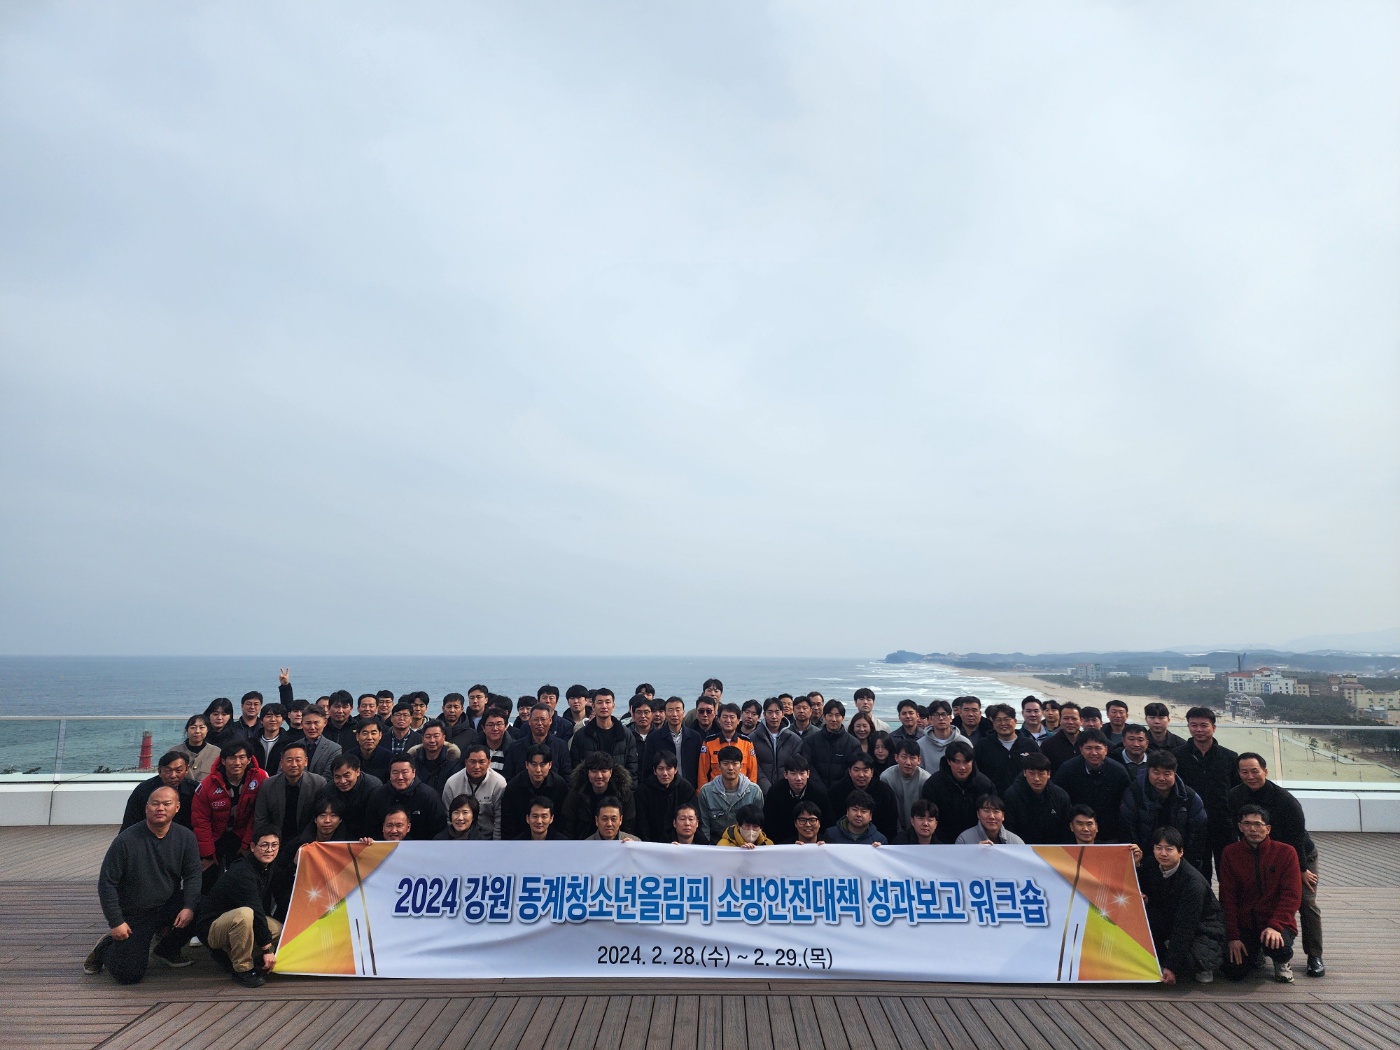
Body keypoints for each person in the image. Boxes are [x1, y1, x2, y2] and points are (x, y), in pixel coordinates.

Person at [86, 786, 202, 984]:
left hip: (168, 904)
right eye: (155, 804)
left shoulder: (186, 837)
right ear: (147, 807)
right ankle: (106, 948)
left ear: (177, 807)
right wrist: (116, 922)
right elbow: (107, 883)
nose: (160, 808)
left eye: (167, 804)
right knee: (129, 975)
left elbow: (192, 875)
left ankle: (167, 950)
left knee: (204, 907)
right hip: (136, 912)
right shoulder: (125, 841)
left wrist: (189, 906)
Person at [1228, 752, 1324, 977]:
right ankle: (1258, 947)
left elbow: (1296, 837)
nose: (1250, 776)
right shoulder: (1235, 795)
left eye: (1255, 771)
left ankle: (1314, 955)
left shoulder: (1285, 800)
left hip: (1298, 854)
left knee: (1306, 901)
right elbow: (1237, 827)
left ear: (1265, 771)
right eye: (1244, 772)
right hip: (1259, 853)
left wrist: (1301, 869)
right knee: (1255, 895)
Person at [191, 825, 283, 988]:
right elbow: (255, 910)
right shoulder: (243, 871)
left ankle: (242, 957)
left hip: (236, 922)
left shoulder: (268, 866)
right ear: (253, 847)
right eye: (264, 845)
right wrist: (267, 950)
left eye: (274, 845)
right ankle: (242, 969)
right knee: (245, 914)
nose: (269, 850)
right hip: (212, 928)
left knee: (278, 929)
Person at [1220, 805, 1303, 983]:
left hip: (1276, 922)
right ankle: (1255, 953)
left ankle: (1281, 962)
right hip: (1245, 924)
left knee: (1279, 948)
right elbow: (1228, 897)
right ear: (1240, 827)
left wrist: (1275, 925)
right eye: (1247, 824)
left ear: (1268, 828)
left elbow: (1292, 896)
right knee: (1233, 971)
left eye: (1258, 824)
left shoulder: (1286, 852)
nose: (1253, 829)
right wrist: (1233, 936)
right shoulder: (1230, 853)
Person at [1139, 826, 1226, 985]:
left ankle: (1202, 966)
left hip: (1204, 928)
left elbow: (1185, 926)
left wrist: (1171, 967)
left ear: (1181, 852)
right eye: (1158, 848)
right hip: (1172, 918)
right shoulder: (1152, 866)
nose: (1163, 853)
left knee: (1189, 962)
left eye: (1169, 849)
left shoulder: (1193, 883)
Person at [1173, 706, 1240, 885]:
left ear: (1213, 727)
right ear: (1188, 727)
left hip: (1223, 824)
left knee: (1228, 872)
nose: (1199, 730)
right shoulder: (1178, 756)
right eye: (1193, 725)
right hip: (1192, 825)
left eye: (1204, 725)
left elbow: (1237, 792)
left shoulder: (1230, 757)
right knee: (1198, 874)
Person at [191, 741, 269, 889]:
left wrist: (247, 845)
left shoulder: (261, 778)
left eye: (242, 757)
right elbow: (200, 821)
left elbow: (258, 815)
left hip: (244, 834)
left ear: (249, 759)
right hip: (215, 836)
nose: (237, 762)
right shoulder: (208, 784)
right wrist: (208, 855)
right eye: (232, 758)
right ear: (223, 760)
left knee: (245, 879)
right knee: (207, 878)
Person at [1120, 750, 1208, 872]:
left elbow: (1197, 835)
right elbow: (1128, 830)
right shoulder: (1134, 794)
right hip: (1143, 859)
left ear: (1174, 773)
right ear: (1148, 771)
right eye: (1156, 773)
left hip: (1180, 860)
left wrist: (1186, 865)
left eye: (1167, 774)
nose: (1161, 778)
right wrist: (1139, 862)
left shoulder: (1189, 797)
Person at [1052, 729, 1130, 843]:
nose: (1094, 753)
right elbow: (1057, 799)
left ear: (1106, 750)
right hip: (1075, 834)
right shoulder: (1067, 769)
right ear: (1081, 750)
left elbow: (1126, 804)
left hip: (1110, 834)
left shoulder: (1118, 771)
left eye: (1098, 748)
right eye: (1088, 748)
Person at [920, 741, 995, 844]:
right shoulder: (933, 784)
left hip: (976, 841)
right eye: (957, 762)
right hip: (942, 842)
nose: (962, 767)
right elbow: (928, 815)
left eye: (966, 762)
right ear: (949, 761)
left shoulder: (984, 785)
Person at [499, 743, 570, 840]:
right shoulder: (514, 786)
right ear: (526, 764)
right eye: (534, 764)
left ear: (550, 765)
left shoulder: (559, 785)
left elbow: (563, 820)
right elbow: (508, 822)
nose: (538, 770)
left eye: (543, 764)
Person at [367, 757, 447, 841]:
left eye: (404, 772)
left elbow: (439, 830)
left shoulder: (429, 796)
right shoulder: (378, 795)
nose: (400, 777)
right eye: (395, 772)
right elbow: (371, 829)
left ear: (413, 773)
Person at [561, 751, 637, 840]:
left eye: (604, 771)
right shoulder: (577, 793)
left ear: (611, 772)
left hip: (616, 842)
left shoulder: (623, 793)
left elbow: (629, 824)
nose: (599, 776)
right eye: (594, 771)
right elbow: (567, 825)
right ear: (588, 772)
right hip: (583, 843)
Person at [696, 745, 763, 844]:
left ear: (741, 766)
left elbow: (758, 825)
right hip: (715, 845)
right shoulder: (706, 792)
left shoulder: (754, 792)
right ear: (719, 766)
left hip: (745, 846)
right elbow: (704, 826)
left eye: (735, 764)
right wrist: (707, 848)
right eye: (726, 764)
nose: (730, 768)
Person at [439, 744, 506, 840]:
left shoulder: (499, 783)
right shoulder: (452, 783)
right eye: (472, 762)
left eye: (482, 762)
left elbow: (499, 819)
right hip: (459, 838)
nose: (477, 766)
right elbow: (447, 816)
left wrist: (495, 845)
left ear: (489, 762)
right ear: (466, 762)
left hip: (488, 838)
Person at [569, 687, 639, 778]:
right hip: (590, 784)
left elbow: (632, 767)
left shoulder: (626, 734)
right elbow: (575, 767)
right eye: (599, 702)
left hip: (619, 785)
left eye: (607, 702)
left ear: (613, 706)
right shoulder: (581, 735)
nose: (604, 706)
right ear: (593, 706)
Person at [1002, 753, 1071, 844]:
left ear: (1048, 774)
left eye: (1041, 774)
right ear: (1024, 773)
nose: (1036, 779)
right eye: (1031, 773)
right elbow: (1009, 829)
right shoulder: (1011, 796)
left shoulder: (1060, 796)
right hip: (1021, 848)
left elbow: (1066, 830)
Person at [829, 753, 900, 841]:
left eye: (865, 770)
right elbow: (831, 820)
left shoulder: (885, 792)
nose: (861, 775)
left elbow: (891, 824)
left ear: (872, 772)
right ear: (850, 771)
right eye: (856, 770)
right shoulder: (837, 791)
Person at [763, 755, 831, 845]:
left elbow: (827, 822)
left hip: (814, 843)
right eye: (793, 773)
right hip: (783, 843)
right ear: (785, 774)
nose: (798, 778)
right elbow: (769, 824)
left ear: (808, 774)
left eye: (802, 773)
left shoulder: (819, 793)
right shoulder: (775, 792)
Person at [973, 704, 1041, 793]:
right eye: (998, 720)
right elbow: (975, 773)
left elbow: (1041, 770)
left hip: (1024, 796)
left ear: (1015, 721)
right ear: (993, 723)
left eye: (1007, 719)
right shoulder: (982, 745)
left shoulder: (1030, 745)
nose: (1003, 723)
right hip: (992, 798)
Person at [634, 751, 698, 844]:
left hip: (678, 843)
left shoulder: (685, 788)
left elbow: (694, 818)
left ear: (675, 770)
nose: (665, 773)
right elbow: (642, 824)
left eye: (668, 768)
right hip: (651, 843)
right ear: (654, 770)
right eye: (660, 769)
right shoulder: (643, 791)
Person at [121, 752, 196, 831]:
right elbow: (129, 824)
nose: (173, 775)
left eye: (178, 771)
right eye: (168, 771)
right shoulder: (143, 791)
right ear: (160, 771)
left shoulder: (193, 790)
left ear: (186, 769)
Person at [644, 696, 703, 788]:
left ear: (683, 712)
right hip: (662, 788)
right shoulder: (654, 738)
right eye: (670, 710)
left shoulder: (695, 737)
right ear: (665, 713)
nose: (674, 714)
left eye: (678, 710)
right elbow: (648, 767)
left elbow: (700, 766)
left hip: (689, 787)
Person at [503, 703, 572, 782]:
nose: (539, 723)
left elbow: (567, 775)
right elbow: (508, 776)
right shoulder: (516, 747)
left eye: (543, 719)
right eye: (536, 719)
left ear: (550, 721)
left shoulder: (561, 746)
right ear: (529, 721)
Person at [802, 700, 861, 789]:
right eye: (830, 715)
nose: (833, 719)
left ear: (843, 718)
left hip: (843, 791)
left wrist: (836, 790)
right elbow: (807, 766)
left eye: (837, 715)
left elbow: (853, 769)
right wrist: (819, 788)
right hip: (815, 791)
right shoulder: (811, 741)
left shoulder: (853, 744)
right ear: (824, 717)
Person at [697, 703, 759, 786]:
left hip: (742, 789)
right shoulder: (709, 742)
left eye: (732, 717)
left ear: (738, 720)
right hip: (715, 789)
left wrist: (752, 790)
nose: (728, 720)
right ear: (719, 720)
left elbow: (752, 772)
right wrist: (702, 791)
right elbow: (702, 772)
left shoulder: (747, 743)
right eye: (725, 717)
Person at [751, 697, 804, 793]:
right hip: (760, 790)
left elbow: (796, 766)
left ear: (783, 714)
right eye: (770, 712)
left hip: (787, 790)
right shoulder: (753, 738)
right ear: (764, 714)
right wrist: (768, 789)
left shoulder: (794, 739)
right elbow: (754, 766)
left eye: (777, 712)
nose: (774, 716)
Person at [321, 754, 381, 839]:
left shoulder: (373, 787)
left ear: (358, 772)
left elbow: (375, 820)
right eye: (337, 777)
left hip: (368, 835)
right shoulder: (329, 789)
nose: (342, 781)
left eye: (347, 775)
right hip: (340, 834)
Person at [271, 706, 341, 777]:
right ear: (302, 724)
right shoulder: (291, 747)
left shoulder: (334, 749)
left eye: (316, 723)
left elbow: (329, 776)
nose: (312, 727)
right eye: (308, 723)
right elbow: (281, 773)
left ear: (325, 723)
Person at [880, 739, 931, 833]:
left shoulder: (926, 779)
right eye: (904, 757)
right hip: (891, 828)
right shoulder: (886, 778)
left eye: (912, 758)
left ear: (919, 760)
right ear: (896, 757)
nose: (908, 762)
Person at [407, 720, 463, 795]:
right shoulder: (413, 761)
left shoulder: (453, 762)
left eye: (436, 736)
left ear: (443, 738)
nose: (432, 740)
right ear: (422, 739)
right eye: (428, 736)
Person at [916, 700, 969, 771]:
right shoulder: (920, 745)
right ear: (931, 719)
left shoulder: (964, 742)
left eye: (944, 714)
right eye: (936, 715)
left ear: (950, 718)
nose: (941, 718)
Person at [955, 795, 1025, 845]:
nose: (991, 816)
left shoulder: (1016, 842)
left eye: (996, 811)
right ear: (978, 814)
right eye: (986, 811)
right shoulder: (964, 840)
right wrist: (976, 852)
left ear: (1003, 816)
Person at [171, 715, 219, 783]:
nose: (197, 731)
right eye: (193, 727)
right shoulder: (174, 751)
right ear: (187, 730)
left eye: (201, 727)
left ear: (207, 730)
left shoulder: (216, 752)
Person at [1039, 702, 1083, 773]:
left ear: (1081, 721)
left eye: (1074, 718)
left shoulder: (1088, 743)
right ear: (1060, 720)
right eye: (1066, 718)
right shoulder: (1048, 745)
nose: (1070, 722)